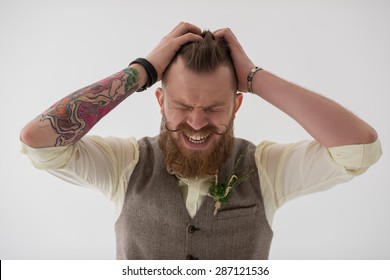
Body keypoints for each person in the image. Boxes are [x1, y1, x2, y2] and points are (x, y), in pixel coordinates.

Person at [20, 22, 382, 260]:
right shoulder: (125, 162)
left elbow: (360, 146)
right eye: (181, 105)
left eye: (213, 107)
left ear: (236, 104)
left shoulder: (267, 167)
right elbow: (39, 139)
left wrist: (255, 77)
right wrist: (143, 69)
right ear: (160, 101)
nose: (196, 122)